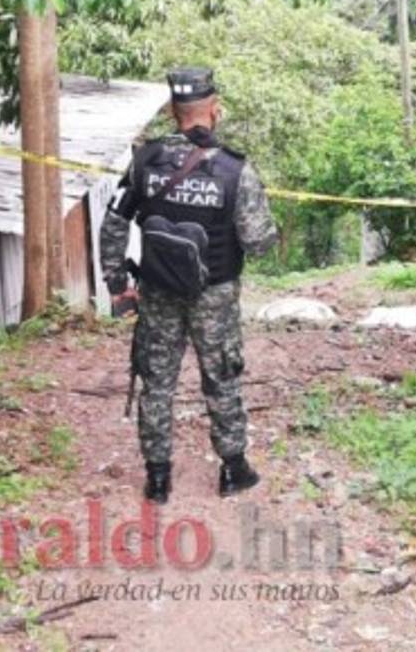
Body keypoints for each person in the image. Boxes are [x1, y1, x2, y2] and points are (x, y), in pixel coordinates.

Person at [100, 67, 278, 504]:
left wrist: (116, 281)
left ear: (173, 112)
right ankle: (233, 470)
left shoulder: (145, 162)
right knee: (221, 377)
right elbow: (258, 242)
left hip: (158, 291)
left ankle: (158, 479)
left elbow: (114, 223)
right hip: (213, 295)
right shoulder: (235, 170)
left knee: (157, 381)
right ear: (213, 111)